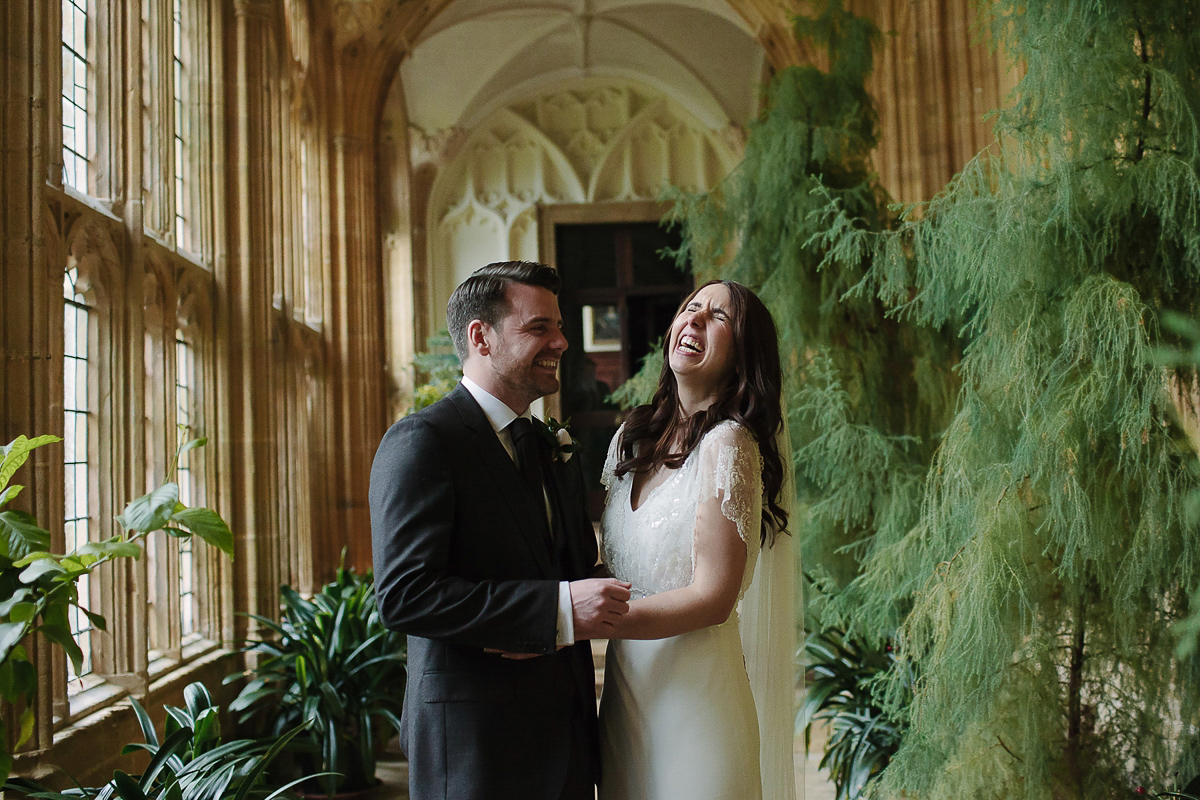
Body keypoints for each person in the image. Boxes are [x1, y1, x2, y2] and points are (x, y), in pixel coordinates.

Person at [369, 260, 632, 800]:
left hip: (568, 740)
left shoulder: (551, 446)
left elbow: (573, 570)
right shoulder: (424, 441)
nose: (562, 341)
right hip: (475, 747)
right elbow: (404, 595)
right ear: (480, 337)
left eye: (558, 327)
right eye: (539, 327)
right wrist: (553, 612)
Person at [597, 279, 798, 800]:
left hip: (698, 702)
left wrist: (582, 620)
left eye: (719, 318)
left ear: (743, 354)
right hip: (626, 699)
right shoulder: (630, 438)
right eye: (691, 308)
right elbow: (616, 570)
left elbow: (713, 598)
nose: (695, 320)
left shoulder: (728, 445)